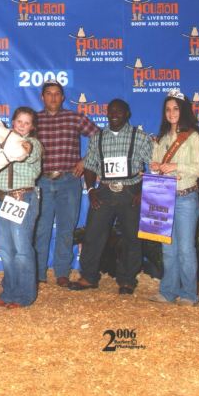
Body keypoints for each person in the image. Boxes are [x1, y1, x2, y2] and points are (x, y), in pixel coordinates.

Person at [68, 99, 153, 295]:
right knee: (93, 234)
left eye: (119, 111)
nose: (114, 114)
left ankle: (127, 280)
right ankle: (88, 277)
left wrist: (143, 191)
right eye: (111, 111)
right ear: (106, 113)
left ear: (127, 113)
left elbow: (153, 166)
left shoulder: (140, 137)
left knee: (132, 238)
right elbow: (89, 166)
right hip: (104, 190)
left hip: (131, 190)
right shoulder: (97, 137)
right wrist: (91, 191)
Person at [34, 80, 99, 287]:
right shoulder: (33, 120)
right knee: (41, 228)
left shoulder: (74, 117)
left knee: (66, 229)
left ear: (62, 98)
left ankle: (62, 272)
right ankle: (38, 273)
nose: (53, 97)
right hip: (42, 181)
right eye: (48, 93)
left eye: (57, 94)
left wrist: (86, 160)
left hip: (69, 181)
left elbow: (99, 137)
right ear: (42, 97)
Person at [0, 107, 41, 308]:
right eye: (19, 121)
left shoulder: (34, 144)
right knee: (5, 250)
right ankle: (8, 293)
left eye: (27, 123)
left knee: (22, 250)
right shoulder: (1, 146)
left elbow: (29, 153)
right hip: (0, 199)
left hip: (22, 197)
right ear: (12, 122)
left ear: (32, 127)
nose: (22, 125)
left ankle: (25, 296)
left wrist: (26, 147)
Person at [149, 90, 199, 306]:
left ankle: (189, 295)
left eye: (175, 108)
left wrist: (176, 166)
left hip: (186, 197)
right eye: (168, 109)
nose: (171, 112)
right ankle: (167, 292)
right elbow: (156, 167)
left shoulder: (194, 137)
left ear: (183, 111)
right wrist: (155, 168)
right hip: (163, 196)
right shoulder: (162, 139)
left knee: (185, 249)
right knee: (168, 248)